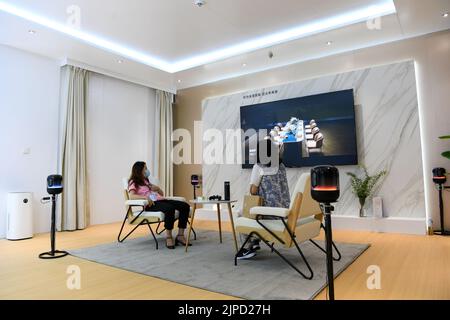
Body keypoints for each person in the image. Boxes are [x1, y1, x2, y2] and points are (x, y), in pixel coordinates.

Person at [237, 138, 291, 260]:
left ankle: (248, 246)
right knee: (251, 212)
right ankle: (255, 241)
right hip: (284, 212)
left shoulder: (259, 167)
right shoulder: (281, 166)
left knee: (241, 213)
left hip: (268, 213)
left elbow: (253, 191)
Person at [128, 161, 191, 249]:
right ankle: (169, 236)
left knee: (185, 206)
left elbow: (161, 194)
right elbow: (131, 196)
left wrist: (158, 188)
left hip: (160, 200)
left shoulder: (145, 181)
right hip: (150, 204)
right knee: (170, 209)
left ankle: (180, 235)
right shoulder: (133, 182)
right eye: (145, 168)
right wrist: (145, 198)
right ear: (139, 170)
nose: (147, 170)